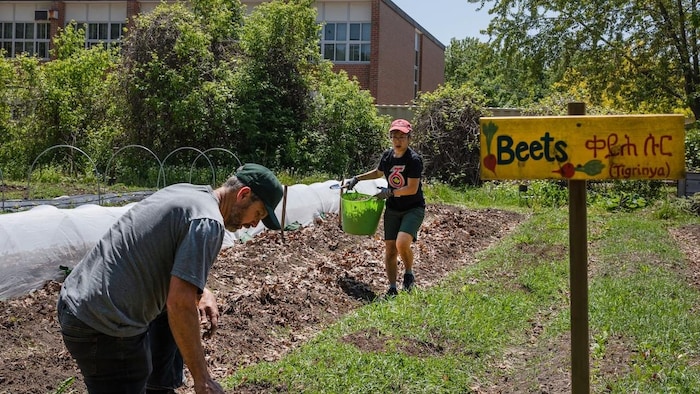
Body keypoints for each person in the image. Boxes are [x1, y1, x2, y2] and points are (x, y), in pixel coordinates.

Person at [56, 163, 284, 394]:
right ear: (243, 195)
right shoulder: (208, 222)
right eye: (258, 214)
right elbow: (179, 303)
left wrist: (201, 291)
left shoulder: (189, 193)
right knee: (138, 362)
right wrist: (202, 378)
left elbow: (165, 257)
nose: (254, 224)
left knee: (157, 341)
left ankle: (160, 387)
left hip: (77, 299)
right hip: (105, 323)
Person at [346, 118, 426, 297]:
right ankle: (391, 288)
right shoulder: (388, 156)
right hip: (393, 208)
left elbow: (412, 189)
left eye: (402, 137)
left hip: (413, 207)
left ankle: (409, 273)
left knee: (402, 242)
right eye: (394, 136)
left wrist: (390, 192)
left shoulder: (414, 160)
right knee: (390, 248)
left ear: (409, 139)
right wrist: (357, 178)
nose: (398, 140)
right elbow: (378, 172)